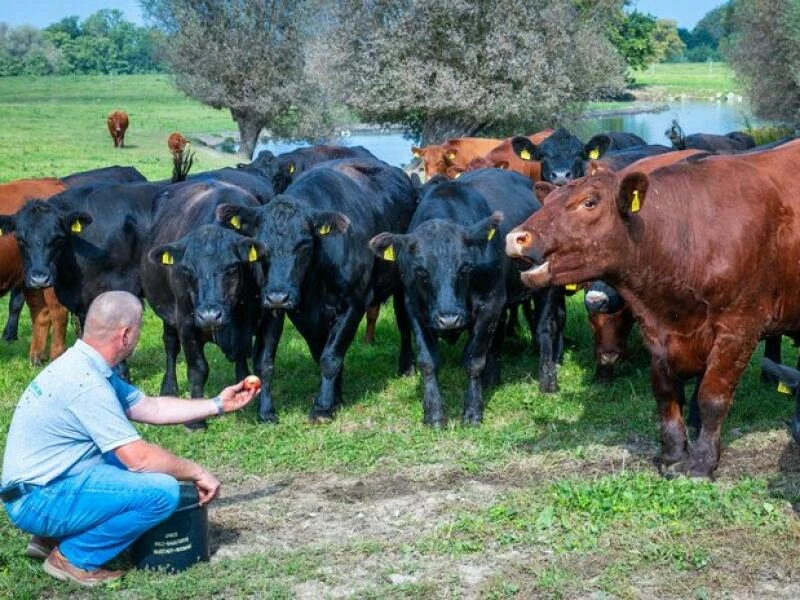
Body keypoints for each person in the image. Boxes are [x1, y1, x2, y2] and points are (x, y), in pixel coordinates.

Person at [0, 291, 257, 587]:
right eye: (139, 329)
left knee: (116, 460)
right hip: (37, 500)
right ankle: (73, 557)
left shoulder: (83, 364)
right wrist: (197, 471)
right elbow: (139, 459)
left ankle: (49, 536)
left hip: (40, 486)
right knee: (161, 491)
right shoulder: (87, 384)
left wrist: (218, 404)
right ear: (125, 335)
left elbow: (152, 407)